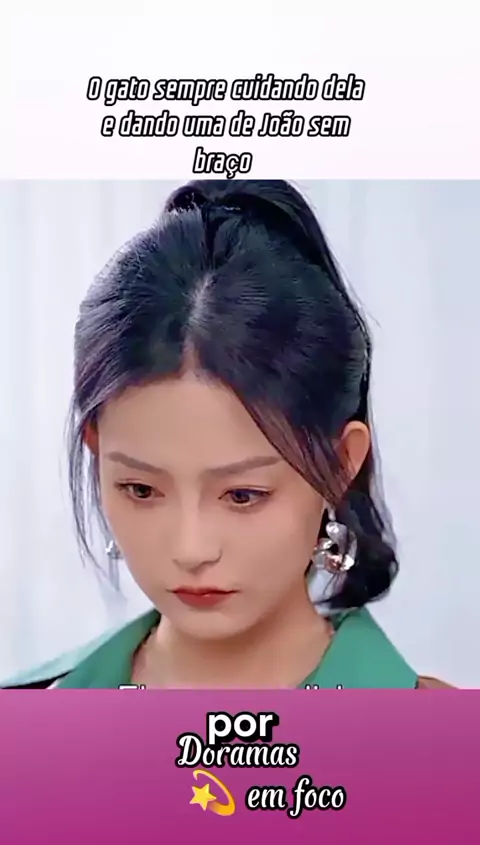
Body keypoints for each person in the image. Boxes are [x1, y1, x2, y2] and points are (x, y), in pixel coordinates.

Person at [4, 179, 453, 689]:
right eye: (142, 490)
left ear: (340, 464)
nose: (191, 550)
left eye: (243, 495)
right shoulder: (25, 721)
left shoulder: (439, 733)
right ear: (97, 449)